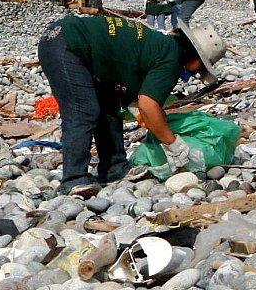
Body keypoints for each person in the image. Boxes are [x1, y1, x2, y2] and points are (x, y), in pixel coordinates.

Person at [38, 15, 226, 196]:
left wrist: (140, 110)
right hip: (67, 44)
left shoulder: (161, 45)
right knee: (84, 111)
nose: (196, 74)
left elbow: (127, 81)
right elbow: (148, 104)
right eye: (201, 68)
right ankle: (74, 178)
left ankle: (114, 168)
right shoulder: (172, 59)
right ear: (195, 59)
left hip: (66, 40)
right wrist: (175, 145)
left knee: (109, 106)